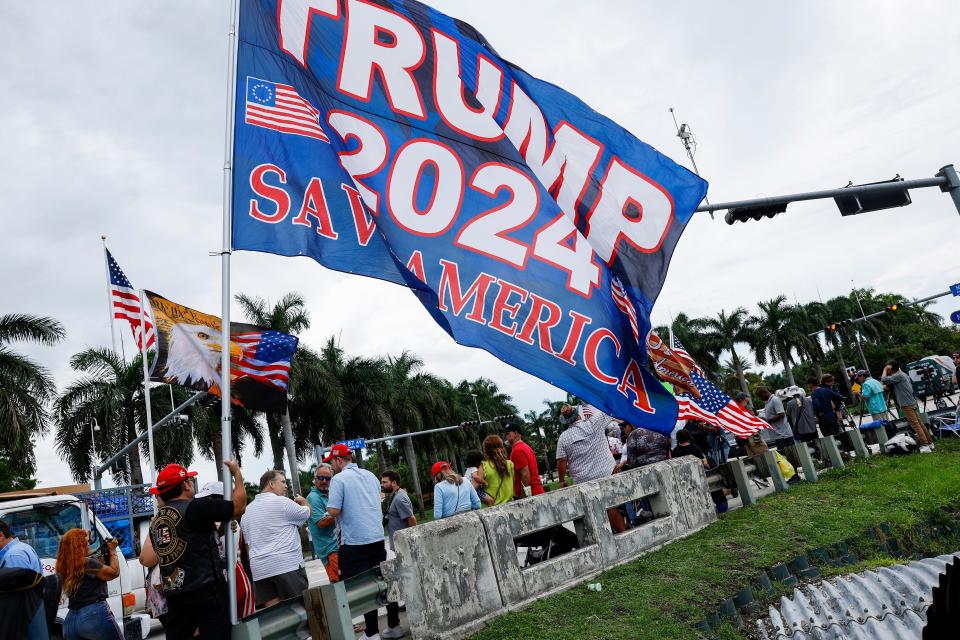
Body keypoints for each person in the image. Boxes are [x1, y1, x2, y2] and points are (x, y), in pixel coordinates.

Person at [148, 460, 246, 640]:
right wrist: (237, 474)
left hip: (176, 595)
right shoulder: (196, 507)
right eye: (190, 480)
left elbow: (186, 539)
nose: (192, 483)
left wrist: (217, 532)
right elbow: (239, 506)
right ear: (185, 484)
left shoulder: (157, 522)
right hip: (206, 590)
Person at [324, 443, 404, 640]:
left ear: (338, 460)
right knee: (382, 582)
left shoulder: (339, 479)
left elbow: (333, 511)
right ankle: (394, 626)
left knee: (363, 589)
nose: (331, 467)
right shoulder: (370, 475)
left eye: (331, 462)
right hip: (376, 538)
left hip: (353, 542)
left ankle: (372, 633)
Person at [240, 470, 310, 609]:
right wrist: (304, 502)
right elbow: (306, 513)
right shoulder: (282, 502)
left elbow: (248, 546)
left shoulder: (246, 511)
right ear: (271, 484)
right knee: (302, 610)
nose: (286, 486)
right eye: (282, 482)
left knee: (276, 616)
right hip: (286, 566)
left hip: (260, 570)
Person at [555, 403, 625, 532]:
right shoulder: (594, 422)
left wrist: (561, 480)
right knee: (611, 507)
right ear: (577, 415)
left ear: (565, 420)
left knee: (593, 512)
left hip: (583, 480)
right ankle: (624, 533)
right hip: (606, 472)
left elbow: (561, 461)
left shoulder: (563, 438)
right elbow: (609, 409)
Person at [194, 481, 255, 617]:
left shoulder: (229, 524)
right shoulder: (215, 523)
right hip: (226, 578)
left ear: (220, 500)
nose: (205, 503)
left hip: (233, 577)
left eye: (208, 499)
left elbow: (226, 557)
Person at [55, 529, 122, 640]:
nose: (88, 544)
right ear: (79, 545)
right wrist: (112, 550)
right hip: (94, 614)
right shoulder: (87, 563)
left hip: (71, 620)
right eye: (86, 542)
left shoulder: (65, 566)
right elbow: (114, 572)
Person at [0, 518, 48, 640]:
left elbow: (14, 602)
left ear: (0, 535)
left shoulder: (13, 556)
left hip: (24, 625)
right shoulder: (21, 548)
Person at [882, 360, 934, 449]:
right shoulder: (903, 375)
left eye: (888, 368)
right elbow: (887, 386)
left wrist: (885, 369)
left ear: (890, 368)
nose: (887, 370)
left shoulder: (897, 376)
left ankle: (925, 445)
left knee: (915, 425)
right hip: (911, 401)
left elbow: (883, 379)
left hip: (906, 404)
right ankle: (929, 442)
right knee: (919, 423)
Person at [306, 464, 340, 583]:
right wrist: (340, 510)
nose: (324, 481)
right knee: (342, 584)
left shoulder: (331, 494)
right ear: (315, 478)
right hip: (330, 550)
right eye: (320, 478)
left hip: (338, 546)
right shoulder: (313, 498)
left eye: (327, 478)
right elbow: (321, 523)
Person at [502, 424, 544, 498]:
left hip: (532, 493)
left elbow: (525, 474)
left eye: (508, 433)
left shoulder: (517, 450)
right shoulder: (525, 446)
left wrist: (523, 497)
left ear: (515, 433)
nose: (505, 436)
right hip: (537, 490)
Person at [381, 470, 416, 548]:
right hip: (400, 544)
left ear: (393, 483)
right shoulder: (395, 496)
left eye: (384, 482)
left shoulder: (399, 498)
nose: (382, 485)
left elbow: (411, 518)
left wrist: (413, 539)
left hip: (405, 544)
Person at [477, 435, 515, 506]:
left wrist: (484, 496)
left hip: (489, 508)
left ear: (485, 450)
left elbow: (473, 488)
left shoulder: (484, 466)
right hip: (508, 506)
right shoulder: (510, 464)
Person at [733, 392, 770, 458]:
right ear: (743, 399)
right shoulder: (742, 410)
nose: (748, 401)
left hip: (749, 439)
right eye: (747, 399)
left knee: (755, 458)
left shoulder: (738, 409)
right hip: (753, 438)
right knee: (766, 456)